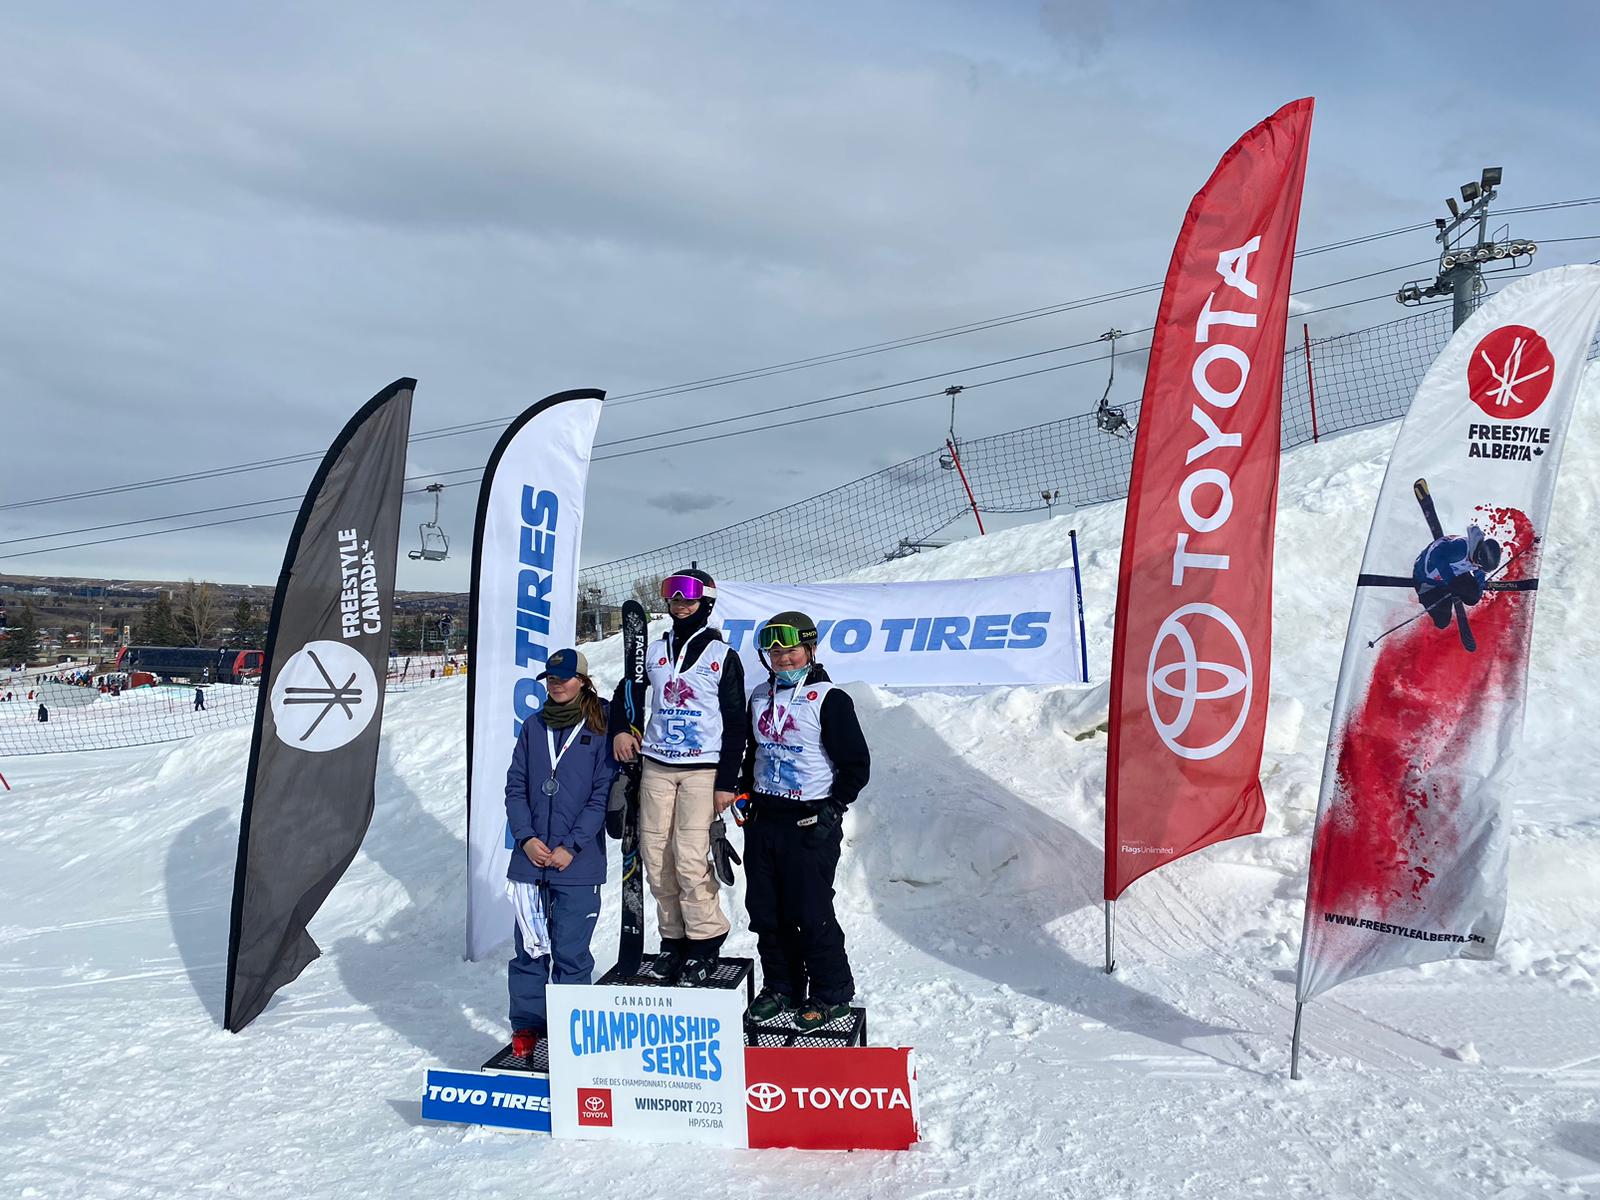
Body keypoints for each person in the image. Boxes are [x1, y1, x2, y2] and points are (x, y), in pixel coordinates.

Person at [609, 568, 746, 985]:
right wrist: (619, 727)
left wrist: (727, 781)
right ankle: (673, 942)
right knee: (656, 857)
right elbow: (626, 694)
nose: (679, 604)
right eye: (672, 596)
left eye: (687, 597)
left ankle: (705, 941)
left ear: (705, 602)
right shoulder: (654, 650)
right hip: (657, 766)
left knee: (689, 858)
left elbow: (737, 721)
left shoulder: (722, 656)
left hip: (702, 770)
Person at [740, 610, 870, 1031]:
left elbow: (856, 764)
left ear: (810, 651)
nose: (783, 659)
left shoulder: (830, 698)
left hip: (810, 819)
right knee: (765, 910)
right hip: (764, 818)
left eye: (791, 650)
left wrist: (834, 808)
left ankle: (831, 993)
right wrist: (744, 791)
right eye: (775, 652)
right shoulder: (759, 695)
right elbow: (751, 754)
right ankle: (783, 986)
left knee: (810, 910)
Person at [503, 647, 614, 1059]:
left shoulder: (601, 726)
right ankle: (528, 1027)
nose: (556, 683)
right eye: (550, 678)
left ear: (583, 680)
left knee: (570, 952)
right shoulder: (534, 726)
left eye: (565, 677)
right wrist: (526, 838)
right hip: (530, 863)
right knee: (530, 951)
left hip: (576, 863)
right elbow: (515, 786)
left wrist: (572, 845)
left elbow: (601, 796)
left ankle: (570, 1032)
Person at [1413, 525, 1501, 629]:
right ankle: (1447, 594)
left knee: (1472, 597)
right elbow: (1435, 555)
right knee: (1442, 621)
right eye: (1478, 564)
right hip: (1428, 583)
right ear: (1478, 554)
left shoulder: (1477, 558)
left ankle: (1454, 591)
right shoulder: (1459, 549)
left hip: (1455, 575)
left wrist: (1478, 592)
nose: (1477, 566)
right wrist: (1450, 580)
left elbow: (1479, 574)